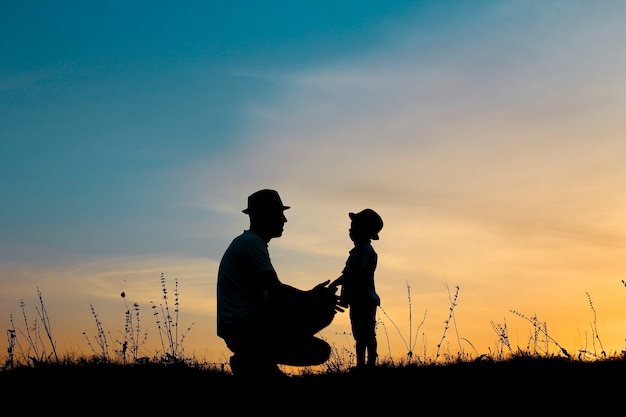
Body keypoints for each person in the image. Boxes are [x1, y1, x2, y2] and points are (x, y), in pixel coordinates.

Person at [216, 189, 342, 379]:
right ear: (265, 216)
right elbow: (277, 292)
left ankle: (257, 362)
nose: (284, 220)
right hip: (244, 328)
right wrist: (313, 298)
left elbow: (275, 296)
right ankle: (251, 359)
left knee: (320, 349)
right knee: (321, 320)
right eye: (279, 214)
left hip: (244, 326)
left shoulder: (250, 243)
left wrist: (312, 297)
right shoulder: (251, 244)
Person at [329, 208, 383, 368]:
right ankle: (361, 364)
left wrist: (338, 284)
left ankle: (369, 364)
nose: (350, 230)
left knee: (366, 333)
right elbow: (349, 274)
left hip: (364, 299)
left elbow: (357, 274)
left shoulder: (366, 251)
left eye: (354, 227)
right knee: (360, 334)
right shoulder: (358, 251)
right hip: (357, 299)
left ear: (364, 231)